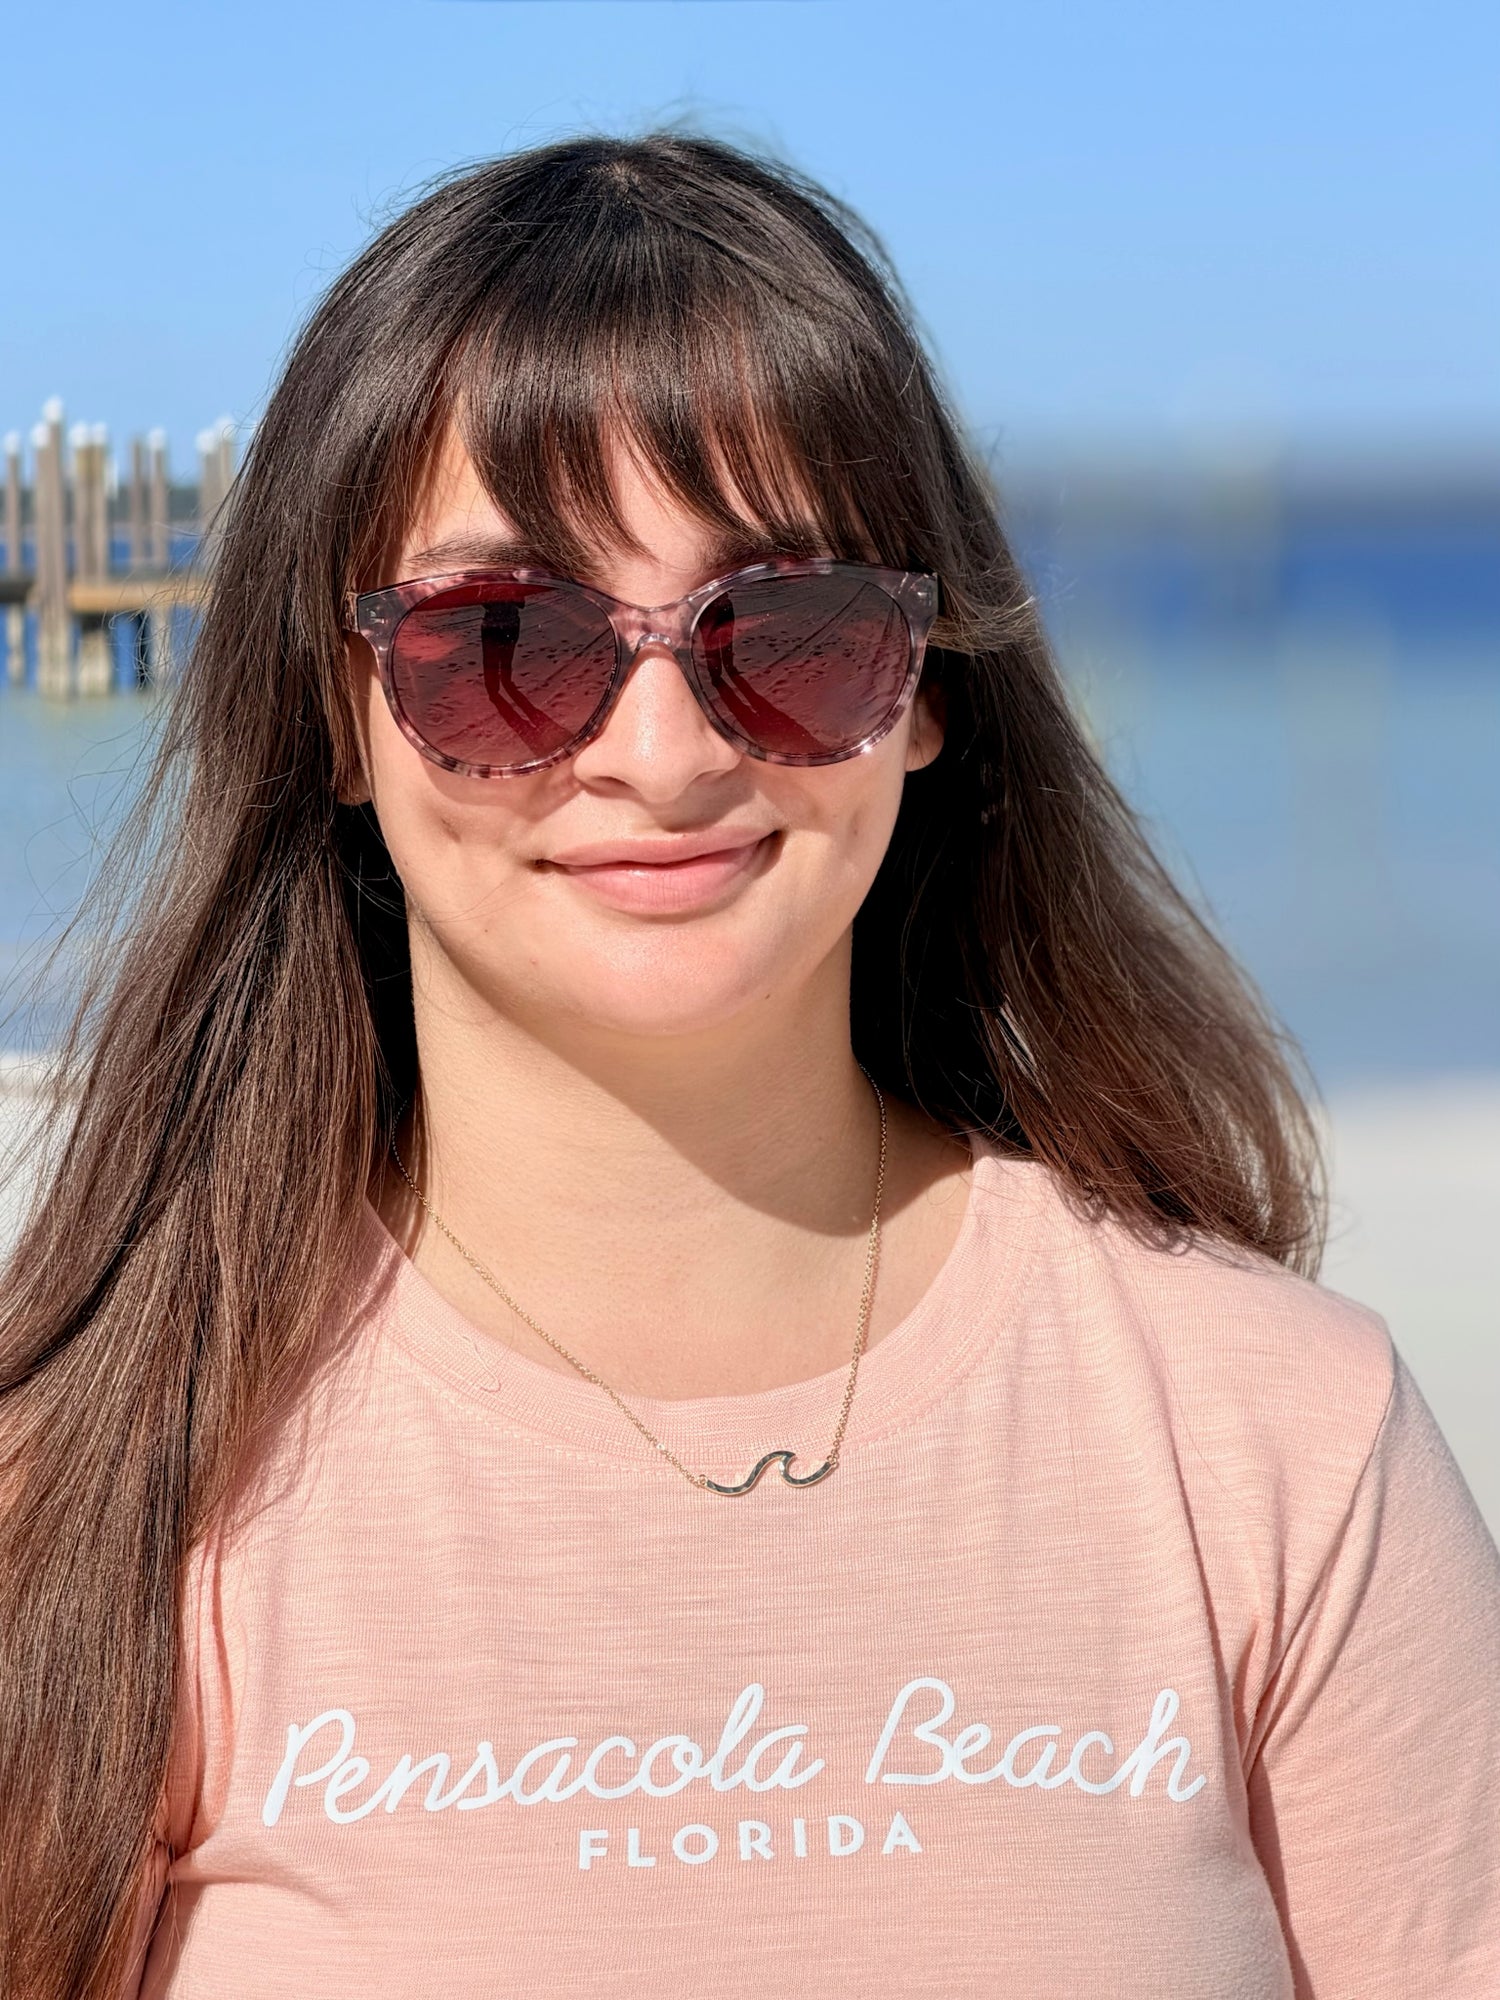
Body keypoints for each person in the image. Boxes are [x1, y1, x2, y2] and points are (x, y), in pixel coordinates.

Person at [1, 134, 1495, 2000]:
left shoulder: (1280, 1440)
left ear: (927, 687)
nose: (665, 752)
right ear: (334, 705)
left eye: (786, 632)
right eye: (502, 641)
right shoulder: (85, 1499)